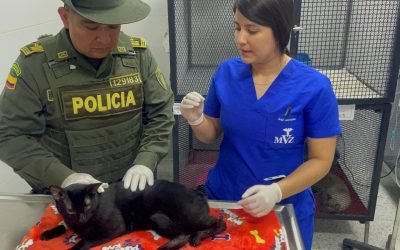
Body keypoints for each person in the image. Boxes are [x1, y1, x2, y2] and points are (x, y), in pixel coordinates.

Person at [179, 0, 341, 249]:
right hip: (226, 198)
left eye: (252, 30)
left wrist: (276, 191)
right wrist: (196, 119)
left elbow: (321, 161)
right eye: (237, 28)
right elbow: (210, 134)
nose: (241, 39)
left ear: (279, 30)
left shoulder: (314, 86)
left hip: (285, 205)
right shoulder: (227, 73)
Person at [0, 0, 174, 194]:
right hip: (68, 200)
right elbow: (9, 135)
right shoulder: (35, 65)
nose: (105, 39)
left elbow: (160, 113)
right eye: (91, 26)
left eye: (113, 26)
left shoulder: (136, 55)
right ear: (65, 17)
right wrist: (62, 177)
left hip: (128, 192)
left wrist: (146, 160)